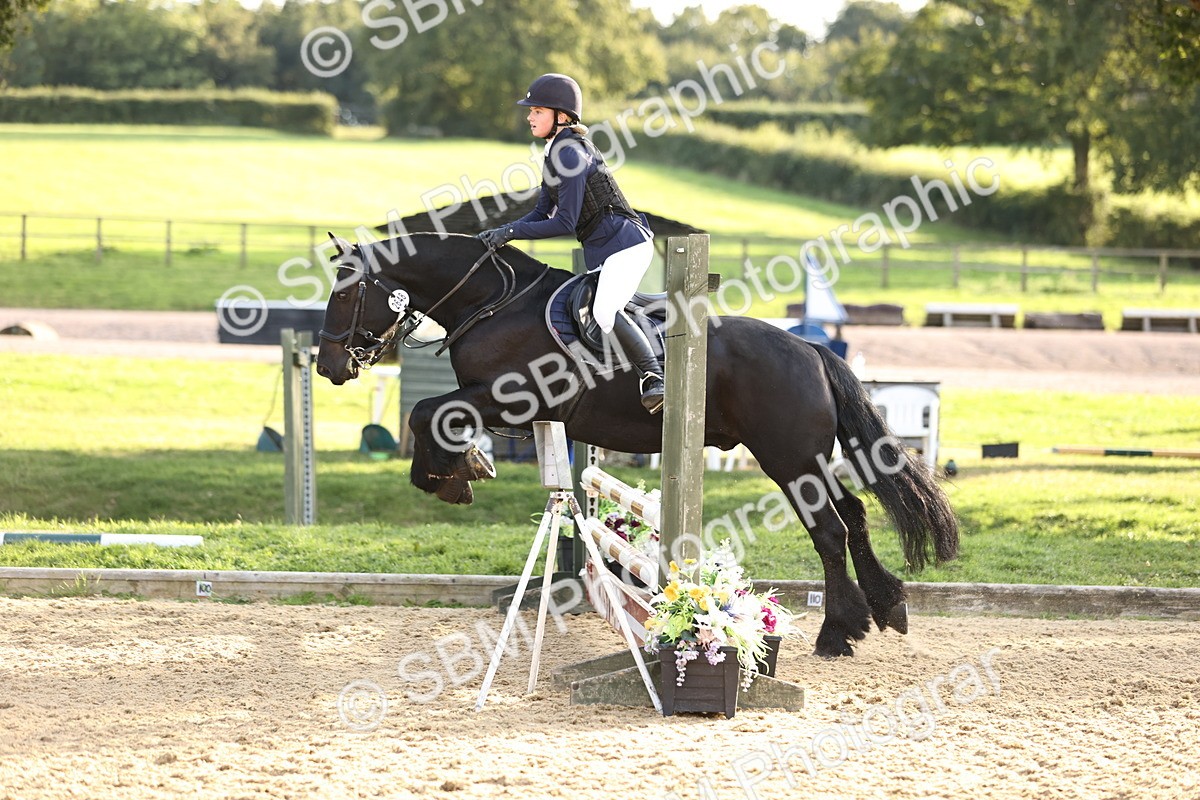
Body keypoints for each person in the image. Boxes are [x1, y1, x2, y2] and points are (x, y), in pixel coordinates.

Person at [477, 73, 664, 415]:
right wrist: (504, 230)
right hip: (607, 250)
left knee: (604, 312)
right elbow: (540, 210)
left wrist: (513, 233)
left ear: (561, 116)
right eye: (530, 111)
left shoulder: (571, 153)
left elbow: (563, 221)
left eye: (537, 111)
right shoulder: (555, 151)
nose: (529, 117)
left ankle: (654, 377)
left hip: (626, 246)